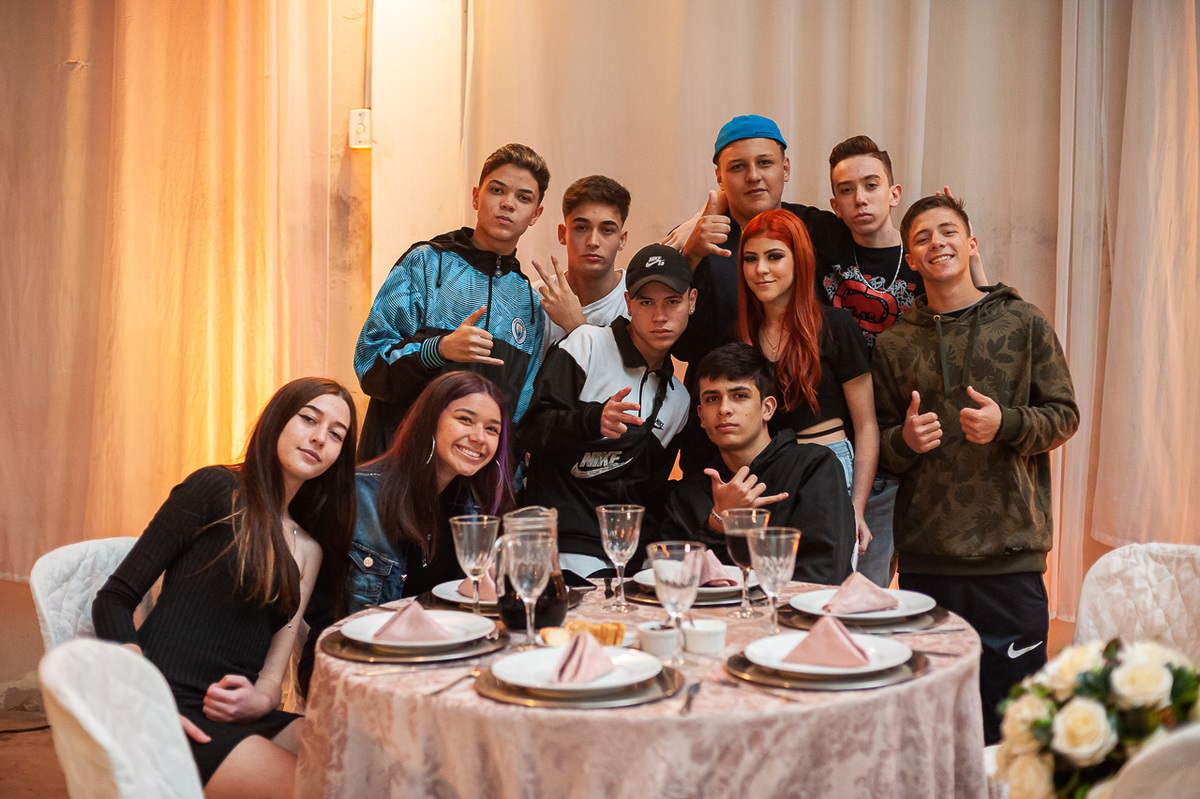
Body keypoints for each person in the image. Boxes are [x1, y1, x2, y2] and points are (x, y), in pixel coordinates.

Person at [872, 194, 1079, 743]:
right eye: (921, 237)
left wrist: (1006, 422)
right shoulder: (893, 343)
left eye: (947, 231)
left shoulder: (1024, 322)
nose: (936, 243)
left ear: (970, 243)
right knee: (936, 729)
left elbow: (1064, 416)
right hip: (926, 564)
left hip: (1010, 558)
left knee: (1017, 732)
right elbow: (879, 445)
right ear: (910, 258)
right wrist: (904, 441)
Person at [93, 378, 358, 797]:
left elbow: (272, 675)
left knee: (364, 766)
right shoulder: (215, 489)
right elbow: (113, 599)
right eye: (308, 419)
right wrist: (145, 698)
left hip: (241, 717)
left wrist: (261, 701)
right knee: (318, 792)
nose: (319, 438)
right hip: (167, 706)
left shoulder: (309, 549)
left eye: (336, 434)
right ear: (276, 420)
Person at [354, 143, 551, 460]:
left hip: (476, 480)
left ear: (536, 215)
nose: (508, 204)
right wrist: (439, 349)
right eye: (497, 190)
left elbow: (517, 415)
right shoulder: (426, 264)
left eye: (523, 198)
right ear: (476, 196)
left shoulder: (528, 304)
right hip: (401, 468)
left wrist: (505, 481)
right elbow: (369, 364)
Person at [519, 244, 695, 577]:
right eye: (646, 302)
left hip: (626, 557)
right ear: (628, 303)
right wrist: (592, 420)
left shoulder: (679, 400)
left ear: (692, 302)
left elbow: (649, 491)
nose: (660, 316)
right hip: (559, 548)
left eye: (672, 301)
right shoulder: (586, 344)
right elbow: (531, 431)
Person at [737, 208, 877, 567]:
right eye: (750, 259)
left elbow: (866, 425)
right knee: (764, 586)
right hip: (764, 472)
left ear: (799, 259)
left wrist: (857, 508)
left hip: (829, 464)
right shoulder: (739, 336)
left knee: (823, 588)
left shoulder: (836, 325)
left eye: (774, 256)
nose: (760, 269)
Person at [661, 344, 855, 584]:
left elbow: (823, 573)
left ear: (767, 408)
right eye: (712, 399)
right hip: (712, 610)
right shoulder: (687, 495)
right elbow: (673, 581)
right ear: (701, 416)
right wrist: (718, 523)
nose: (724, 409)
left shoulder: (813, 467)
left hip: (798, 607)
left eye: (739, 396)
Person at [347, 371, 516, 611]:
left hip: (441, 632)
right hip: (365, 633)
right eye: (465, 419)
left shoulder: (474, 507)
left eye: (491, 429)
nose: (480, 438)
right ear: (430, 419)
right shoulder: (361, 492)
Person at [532, 175, 631, 349]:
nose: (593, 241)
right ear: (562, 234)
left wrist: (575, 326)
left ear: (622, 239)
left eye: (607, 230)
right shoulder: (534, 297)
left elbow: (631, 368)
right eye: (582, 228)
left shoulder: (637, 301)